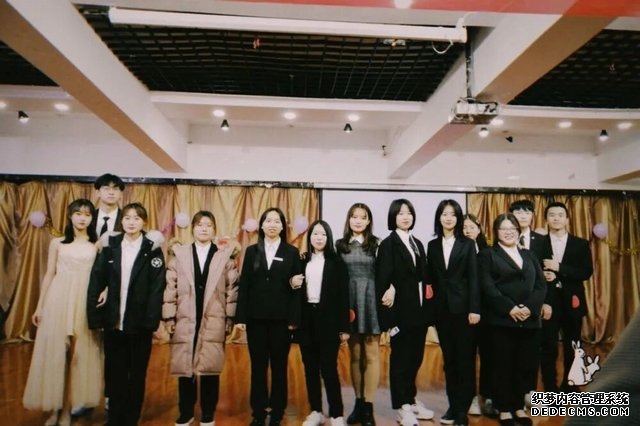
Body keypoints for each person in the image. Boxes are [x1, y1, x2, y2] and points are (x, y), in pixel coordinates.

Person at [23, 199, 103, 426]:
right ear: (70, 216)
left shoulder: (96, 244)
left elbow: (103, 274)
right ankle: (54, 409)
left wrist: (104, 291)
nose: (82, 218)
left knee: (77, 358)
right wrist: (40, 305)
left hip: (83, 301)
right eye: (78, 213)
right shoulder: (57, 243)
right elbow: (49, 274)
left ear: (92, 218)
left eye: (87, 214)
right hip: (58, 300)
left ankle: (68, 409)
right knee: (57, 356)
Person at [87, 202, 166, 426]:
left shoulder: (152, 249)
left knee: (137, 373)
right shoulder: (111, 246)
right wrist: (94, 316)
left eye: (137, 218)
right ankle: (115, 418)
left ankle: (131, 418)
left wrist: (151, 321)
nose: (131, 222)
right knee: (115, 372)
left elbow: (157, 288)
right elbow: (97, 279)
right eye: (127, 218)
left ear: (144, 222)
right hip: (113, 321)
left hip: (139, 323)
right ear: (121, 221)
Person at [163, 211, 239, 426]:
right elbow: (170, 288)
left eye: (208, 225)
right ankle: (186, 412)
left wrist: (230, 318)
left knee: (209, 367)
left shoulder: (224, 257)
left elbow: (232, 290)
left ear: (214, 230)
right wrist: (169, 317)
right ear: (193, 229)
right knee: (185, 365)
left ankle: (208, 413)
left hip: (214, 316)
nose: (204, 228)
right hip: (185, 316)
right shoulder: (180, 255)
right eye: (199, 224)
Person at [234, 207, 303, 426]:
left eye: (277, 221)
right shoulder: (252, 251)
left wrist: (294, 319)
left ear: (283, 226)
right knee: (258, 367)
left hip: (282, 321)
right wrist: (240, 317)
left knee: (279, 367)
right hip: (256, 319)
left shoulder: (291, 252)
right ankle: (258, 412)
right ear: (262, 225)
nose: (272, 225)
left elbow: (297, 288)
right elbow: (244, 284)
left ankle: (277, 411)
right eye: (268, 221)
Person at [479, 213, 546, 426]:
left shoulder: (529, 255)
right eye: (504, 229)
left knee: (524, 365)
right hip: (501, 320)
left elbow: (541, 285)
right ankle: (505, 409)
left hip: (529, 320)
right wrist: (510, 308)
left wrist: (529, 308)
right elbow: (488, 286)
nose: (509, 232)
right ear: (496, 232)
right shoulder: (488, 254)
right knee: (502, 365)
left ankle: (518, 407)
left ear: (518, 231)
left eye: (512, 228)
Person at [376, 199, 435, 426]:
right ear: (393, 217)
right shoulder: (388, 244)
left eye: (409, 212)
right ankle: (402, 406)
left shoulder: (417, 242)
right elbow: (383, 281)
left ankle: (410, 399)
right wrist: (389, 321)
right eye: (401, 213)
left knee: (415, 359)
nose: (406, 216)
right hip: (400, 315)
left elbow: (422, 277)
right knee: (401, 360)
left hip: (418, 313)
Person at [427, 200, 480, 426]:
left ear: (458, 218)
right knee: (449, 361)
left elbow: (474, 278)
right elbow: (430, 281)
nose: (448, 218)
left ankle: (462, 410)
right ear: (439, 218)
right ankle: (453, 404)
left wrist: (474, 308)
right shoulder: (432, 245)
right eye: (444, 214)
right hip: (442, 311)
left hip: (464, 310)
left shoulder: (467, 244)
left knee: (465, 360)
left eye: (453, 214)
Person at [299, 220, 350, 426]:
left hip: (329, 320)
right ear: (309, 237)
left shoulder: (337, 263)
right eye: (315, 234)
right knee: (310, 368)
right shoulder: (302, 261)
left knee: (329, 368)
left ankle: (336, 414)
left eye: (323, 234)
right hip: (306, 320)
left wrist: (344, 327)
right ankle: (316, 411)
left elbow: (344, 297)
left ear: (328, 237)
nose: (319, 238)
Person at [538, 201, 593, 392]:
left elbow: (586, 272)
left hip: (573, 302)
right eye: (552, 215)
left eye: (560, 215)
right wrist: (543, 275)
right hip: (548, 303)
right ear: (546, 219)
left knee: (573, 346)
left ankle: (571, 385)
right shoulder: (539, 243)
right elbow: (532, 271)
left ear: (567, 219)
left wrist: (559, 268)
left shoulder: (581, 244)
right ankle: (550, 387)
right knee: (548, 346)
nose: (556, 218)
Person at [335, 203, 379, 426]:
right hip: (349, 301)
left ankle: (369, 407)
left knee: (371, 354)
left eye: (363, 217)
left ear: (369, 220)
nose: (358, 221)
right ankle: (359, 403)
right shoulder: (340, 245)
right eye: (354, 216)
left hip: (371, 300)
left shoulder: (377, 244)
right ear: (349, 219)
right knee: (354, 354)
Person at [508, 199, 546, 404]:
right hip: (509, 306)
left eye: (527, 212)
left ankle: (530, 392)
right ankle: (511, 393)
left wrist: (542, 303)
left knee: (532, 352)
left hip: (535, 304)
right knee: (510, 352)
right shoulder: (502, 238)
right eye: (518, 212)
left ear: (532, 215)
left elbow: (546, 276)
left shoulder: (541, 240)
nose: (523, 216)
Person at [462, 214, 496, 418]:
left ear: (479, 228)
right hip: (466, 311)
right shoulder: (457, 249)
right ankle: (470, 397)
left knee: (490, 355)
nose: (468, 230)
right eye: (464, 227)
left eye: (471, 226)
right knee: (467, 356)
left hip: (489, 312)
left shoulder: (489, 250)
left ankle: (488, 395)